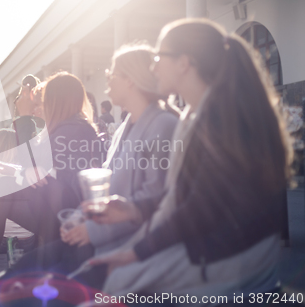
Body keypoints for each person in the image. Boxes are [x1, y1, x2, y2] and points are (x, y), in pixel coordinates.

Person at [88, 19, 292, 301]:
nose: (153, 66)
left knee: (120, 282)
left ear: (184, 63)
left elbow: (197, 207)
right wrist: (135, 210)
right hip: (218, 243)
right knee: (116, 278)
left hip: (240, 257)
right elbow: (184, 197)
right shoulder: (196, 115)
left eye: (159, 57)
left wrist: (137, 252)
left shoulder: (221, 118)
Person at [0, 72, 102, 271]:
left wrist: (24, 116)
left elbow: (30, 166)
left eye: (42, 103)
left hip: (64, 218)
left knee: (1, 187)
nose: (38, 109)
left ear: (58, 101)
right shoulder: (66, 128)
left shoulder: (75, 130)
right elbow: (29, 170)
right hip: (56, 211)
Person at [61, 43, 178, 260]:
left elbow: (154, 200)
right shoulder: (124, 127)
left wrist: (92, 231)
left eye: (112, 73)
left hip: (133, 249)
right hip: (103, 240)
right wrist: (79, 216)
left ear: (130, 80)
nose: (107, 80)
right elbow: (107, 184)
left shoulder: (164, 125)